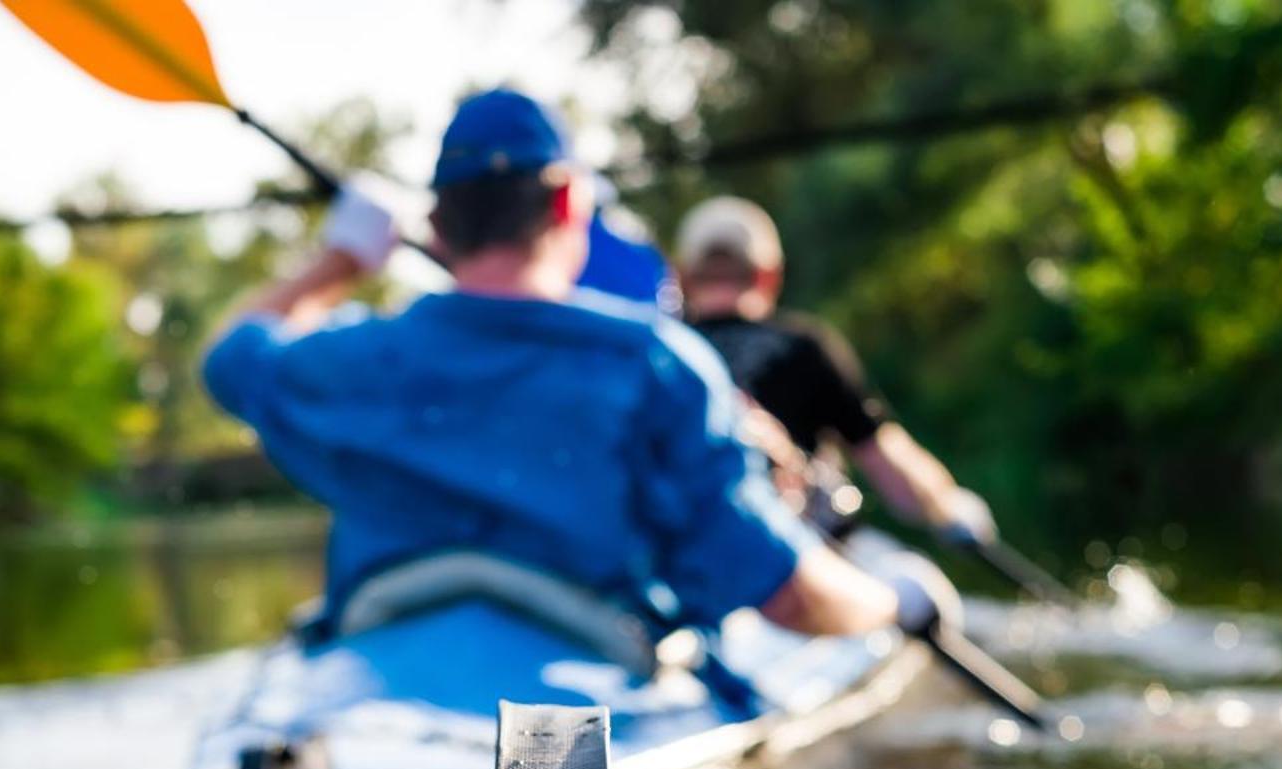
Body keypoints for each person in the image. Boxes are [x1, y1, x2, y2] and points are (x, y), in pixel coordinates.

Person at [201, 89, 932, 644]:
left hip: (382, 660)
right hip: (593, 678)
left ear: (438, 226)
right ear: (564, 201)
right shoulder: (660, 367)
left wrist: (340, 263)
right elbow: (788, 598)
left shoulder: (355, 357)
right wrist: (893, 600)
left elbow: (232, 357)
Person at [675, 196, 998, 548]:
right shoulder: (804, 345)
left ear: (685, 277)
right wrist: (948, 506)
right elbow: (889, 466)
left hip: (680, 568)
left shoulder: (656, 356)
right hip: (800, 558)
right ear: (769, 276)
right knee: (919, 593)